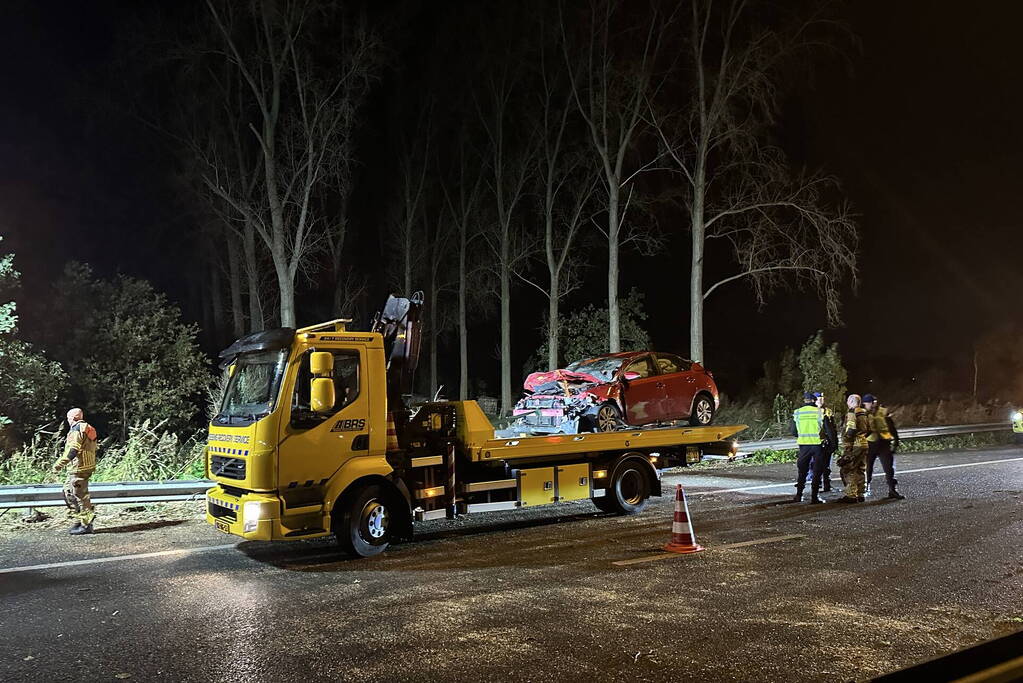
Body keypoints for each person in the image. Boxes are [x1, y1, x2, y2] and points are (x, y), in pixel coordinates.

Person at [51, 408, 98, 535]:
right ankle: (80, 520)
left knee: (80, 497)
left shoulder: (77, 430)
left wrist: (58, 464)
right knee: (68, 492)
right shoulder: (89, 428)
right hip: (84, 466)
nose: (68, 421)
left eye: (68, 418)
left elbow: (73, 450)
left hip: (78, 468)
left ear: (73, 418)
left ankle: (86, 525)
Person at [863, 393, 904, 499]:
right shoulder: (863, 414)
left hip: (883, 444)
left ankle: (892, 490)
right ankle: (866, 489)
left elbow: (891, 427)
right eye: (869, 403)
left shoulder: (882, 413)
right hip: (870, 444)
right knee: (868, 469)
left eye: (873, 402)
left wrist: (896, 441)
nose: (872, 405)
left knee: (889, 469)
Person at [791, 392, 827, 504]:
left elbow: (793, 431)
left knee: (802, 471)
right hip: (817, 445)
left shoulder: (797, 413)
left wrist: (802, 435)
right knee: (817, 471)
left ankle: (799, 495)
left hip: (803, 446)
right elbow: (826, 429)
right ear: (813, 401)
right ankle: (814, 497)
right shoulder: (819, 412)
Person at [836, 394, 870, 504]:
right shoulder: (864, 412)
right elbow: (869, 429)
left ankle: (851, 495)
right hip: (864, 443)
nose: (847, 403)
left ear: (851, 401)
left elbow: (850, 430)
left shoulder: (852, 412)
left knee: (848, 468)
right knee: (860, 469)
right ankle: (860, 493)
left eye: (847, 401)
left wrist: (847, 444)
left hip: (854, 445)